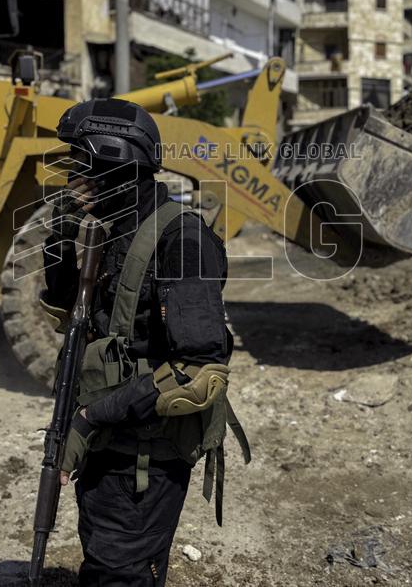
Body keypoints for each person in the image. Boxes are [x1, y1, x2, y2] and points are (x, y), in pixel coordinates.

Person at [40, 98, 247, 586]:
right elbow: (72, 316)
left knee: (119, 570)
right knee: (108, 554)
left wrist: (91, 420)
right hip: (110, 444)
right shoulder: (115, 230)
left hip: (143, 453)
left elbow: (199, 373)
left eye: (83, 166)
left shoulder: (182, 240)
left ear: (116, 165)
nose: (73, 179)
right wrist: (60, 239)